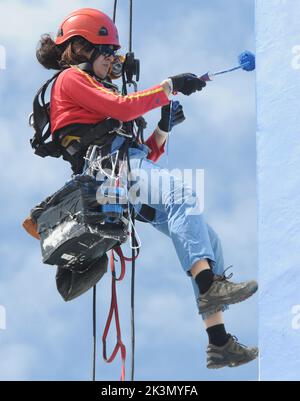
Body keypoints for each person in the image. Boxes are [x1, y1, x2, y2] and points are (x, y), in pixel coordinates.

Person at [35, 7, 258, 370]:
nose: (114, 61)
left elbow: (145, 151)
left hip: (125, 173)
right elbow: (123, 110)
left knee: (209, 241)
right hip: (112, 172)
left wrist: (163, 126)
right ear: (82, 49)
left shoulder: (95, 89)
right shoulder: (71, 81)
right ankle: (209, 288)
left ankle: (219, 343)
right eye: (107, 53)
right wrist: (168, 87)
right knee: (181, 195)